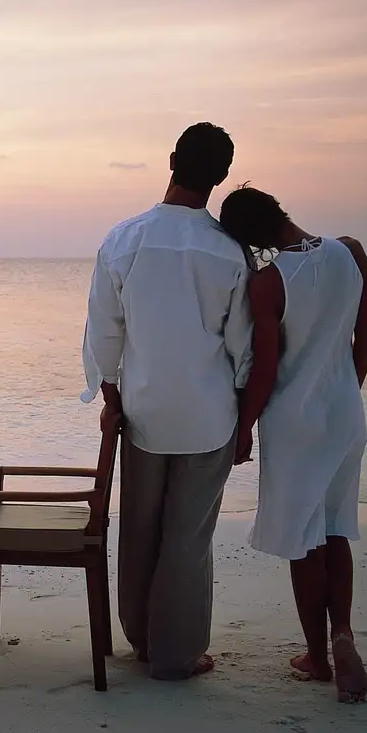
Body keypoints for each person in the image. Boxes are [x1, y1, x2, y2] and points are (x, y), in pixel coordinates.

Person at [81, 122, 252, 681]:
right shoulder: (229, 252)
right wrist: (247, 419)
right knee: (187, 536)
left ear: (172, 159)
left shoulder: (124, 239)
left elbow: (104, 334)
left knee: (140, 527)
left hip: (144, 412)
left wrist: (110, 398)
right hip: (208, 415)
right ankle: (177, 655)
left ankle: (143, 640)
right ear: (222, 178)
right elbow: (243, 348)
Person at [218, 185, 367, 703]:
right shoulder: (350, 251)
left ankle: (316, 656)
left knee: (303, 539)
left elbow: (264, 369)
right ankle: (343, 633)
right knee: (335, 529)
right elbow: (365, 337)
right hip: (345, 413)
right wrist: (344, 392)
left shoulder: (268, 282)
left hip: (294, 421)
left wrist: (244, 429)